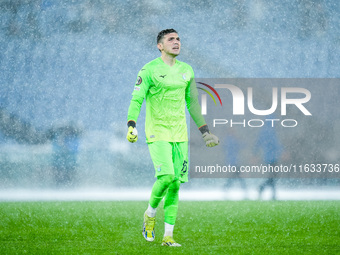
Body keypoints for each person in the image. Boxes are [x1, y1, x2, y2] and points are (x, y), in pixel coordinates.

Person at [126, 29, 219, 247]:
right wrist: (131, 124)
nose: (176, 42)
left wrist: (205, 132)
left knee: (176, 184)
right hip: (157, 131)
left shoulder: (187, 70)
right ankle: (150, 214)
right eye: (171, 39)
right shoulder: (149, 70)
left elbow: (192, 103)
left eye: (178, 39)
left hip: (180, 134)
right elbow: (137, 98)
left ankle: (168, 236)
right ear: (160, 46)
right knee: (166, 177)